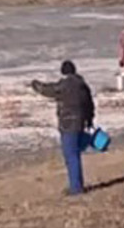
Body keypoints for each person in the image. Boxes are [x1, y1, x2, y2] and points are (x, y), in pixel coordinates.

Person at [31, 60, 96, 197]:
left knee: (71, 156)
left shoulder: (64, 85)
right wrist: (89, 120)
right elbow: (90, 105)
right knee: (75, 153)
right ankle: (77, 185)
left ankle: (76, 188)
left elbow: (48, 90)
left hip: (67, 124)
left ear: (63, 72)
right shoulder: (82, 85)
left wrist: (35, 85)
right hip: (80, 123)